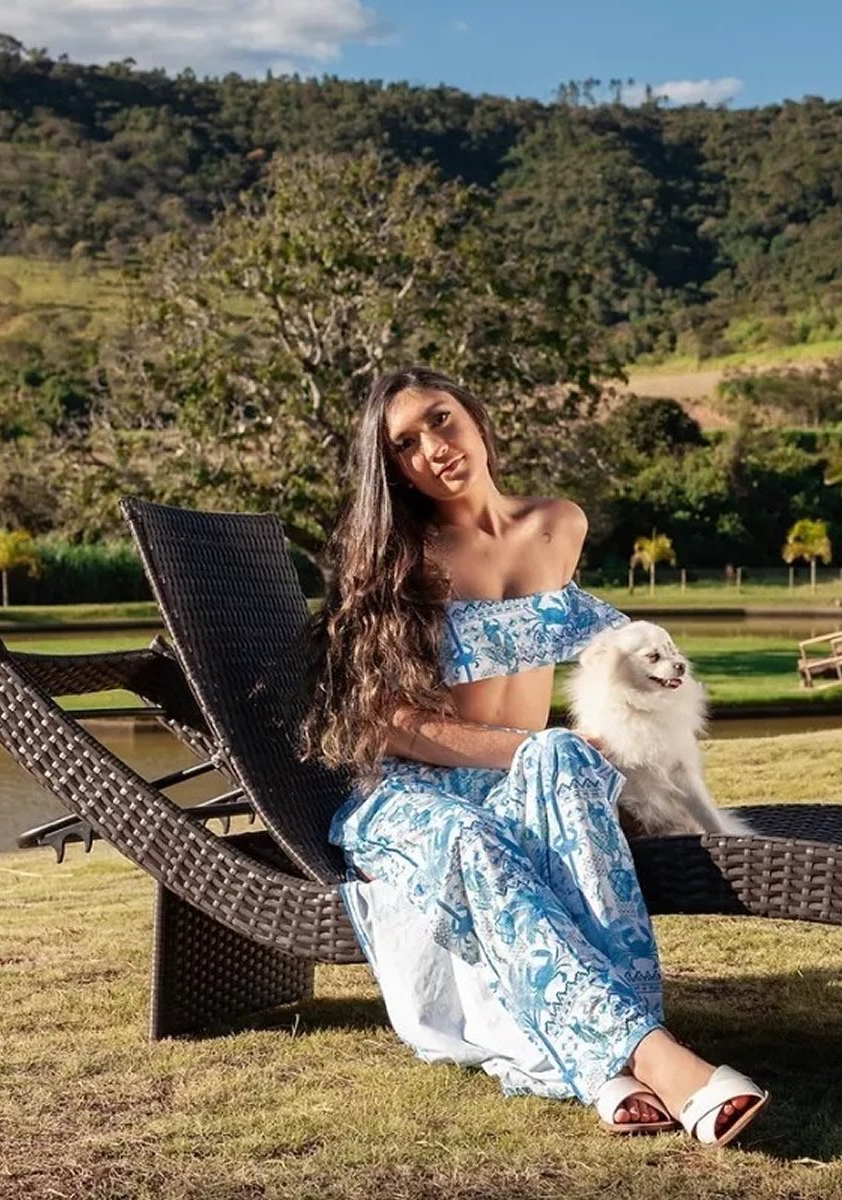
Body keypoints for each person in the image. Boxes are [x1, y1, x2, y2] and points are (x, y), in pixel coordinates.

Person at [302, 366, 768, 1147]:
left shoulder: (560, 526)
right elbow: (382, 721)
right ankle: (655, 1060)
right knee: (484, 829)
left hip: (522, 776)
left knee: (564, 764)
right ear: (394, 470)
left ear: (476, 417)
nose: (433, 450)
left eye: (442, 421)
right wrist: (529, 745)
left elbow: (604, 655)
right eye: (405, 446)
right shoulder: (396, 556)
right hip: (415, 793)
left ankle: (604, 1067)